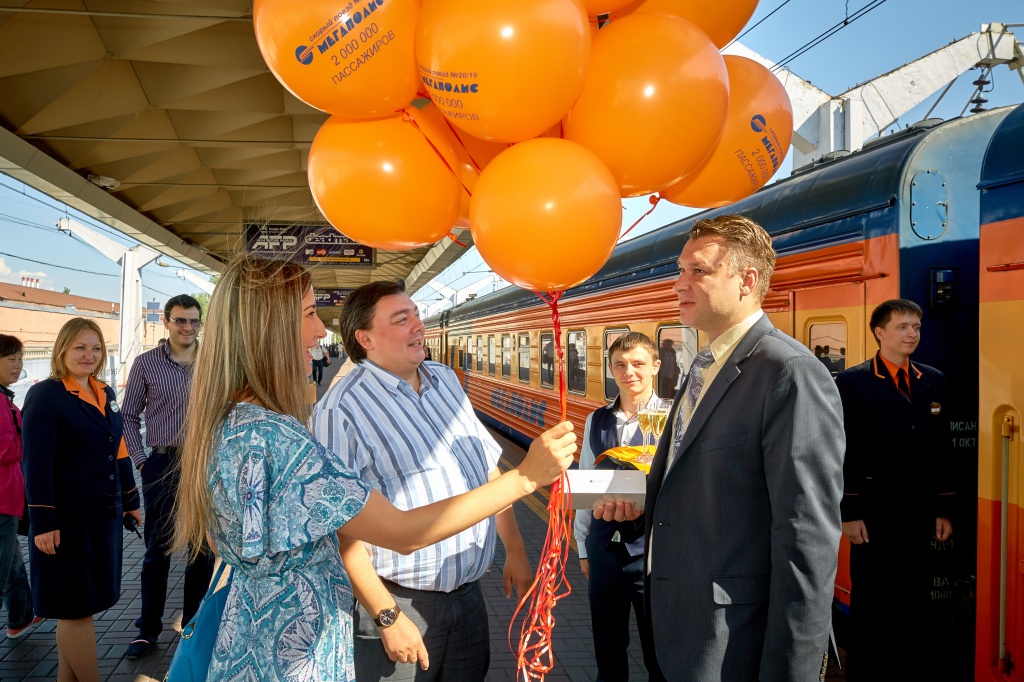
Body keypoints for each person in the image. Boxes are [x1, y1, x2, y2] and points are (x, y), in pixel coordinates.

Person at [171, 256, 575, 682]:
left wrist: (511, 543)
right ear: (266, 328)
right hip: (291, 655)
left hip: (256, 640)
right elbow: (402, 533)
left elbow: (225, 545)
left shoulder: (234, 426)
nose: (320, 331)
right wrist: (527, 476)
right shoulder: (279, 437)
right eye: (309, 314)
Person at [597, 215, 845, 681]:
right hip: (683, 631)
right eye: (680, 270)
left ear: (746, 281)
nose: (678, 285)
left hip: (733, 644)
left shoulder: (788, 372)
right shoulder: (703, 366)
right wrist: (640, 502)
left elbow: (805, 538)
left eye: (698, 272)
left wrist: (791, 671)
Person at [311, 279, 558, 681]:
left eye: (416, 315)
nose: (418, 325)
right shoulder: (340, 410)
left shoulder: (446, 380)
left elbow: (486, 469)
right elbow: (340, 529)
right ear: (365, 338)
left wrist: (514, 547)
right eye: (401, 318)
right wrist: (386, 616)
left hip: (469, 599)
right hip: (398, 604)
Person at [834, 299, 954, 679]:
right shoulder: (852, 382)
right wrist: (849, 514)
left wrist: (943, 509)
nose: (912, 334)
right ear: (880, 332)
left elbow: (942, 447)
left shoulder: (933, 379)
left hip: (919, 514)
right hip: (873, 516)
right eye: (902, 327)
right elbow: (844, 450)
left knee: (916, 603)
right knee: (873, 605)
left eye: (916, 327)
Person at [22, 318, 142, 681]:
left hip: (103, 515)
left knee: (80, 606)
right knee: (76, 610)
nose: (89, 355)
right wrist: (43, 522)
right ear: (62, 350)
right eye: (80, 347)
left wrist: (132, 500)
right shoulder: (46, 395)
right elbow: (36, 463)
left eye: (95, 348)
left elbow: (118, 450)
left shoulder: (105, 392)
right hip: (66, 522)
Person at [121, 294, 215, 660]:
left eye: (194, 321)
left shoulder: (213, 361)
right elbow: (128, 416)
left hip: (204, 464)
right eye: (181, 320)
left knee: (202, 549)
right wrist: (142, 460)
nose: (188, 327)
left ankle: (192, 624)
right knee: (157, 550)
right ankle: (147, 630)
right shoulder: (146, 364)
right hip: (161, 464)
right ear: (166, 321)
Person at [573, 331, 666, 682]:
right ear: (611, 369)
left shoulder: (673, 419)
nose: (630, 372)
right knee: (607, 653)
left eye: (639, 364)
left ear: (655, 366)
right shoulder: (595, 419)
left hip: (652, 556)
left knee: (659, 654)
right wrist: (582, 547)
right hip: (603, 552)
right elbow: (585, 481)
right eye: (621, 365)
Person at [0, 334, 42, 640]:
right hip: (2, 501)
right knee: (3, 569)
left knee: (12, 563)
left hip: (9, 499)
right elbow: (6, 450)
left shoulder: (5, 397)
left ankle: (21, 618)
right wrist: (29, 436)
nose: (18, 365)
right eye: (11, 359)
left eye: (20, 358)